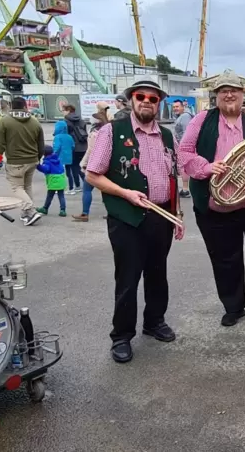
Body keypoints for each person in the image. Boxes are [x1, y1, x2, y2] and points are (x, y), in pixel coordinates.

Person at [179, 69, 245, 327]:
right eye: (223, 91)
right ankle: (233, 306)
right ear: (216, 96)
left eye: (234, 91)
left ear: (243, 95)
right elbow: (183, 153)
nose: (229, 94)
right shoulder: (201, 120)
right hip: (218, 209)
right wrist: (207, 168)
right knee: (225, 259)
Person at [85, 80, 184, 363]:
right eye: (141, 96)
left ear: (158, 104)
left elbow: (173, 176)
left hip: (161, 216)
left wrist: (178, 215)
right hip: (127, 218)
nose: (147, 102)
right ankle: (121, 336)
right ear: (131, 100)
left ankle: (154, 322)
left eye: (153, 99)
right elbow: (93, 175)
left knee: (157, 274)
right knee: (128, 279)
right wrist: (125, 193)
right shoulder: (111, 132)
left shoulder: (166, 136)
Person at [0, 97, 45, 226]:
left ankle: (31, 210)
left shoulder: (4, 121)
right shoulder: (35, 121)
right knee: (26, 186)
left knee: (17, 187)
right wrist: (38, 157)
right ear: (25, 106)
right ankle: (25, 213)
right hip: (32, 159)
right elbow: (41, 143)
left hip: (15, 161)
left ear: (11, 106)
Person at [73, 102, 110, 221]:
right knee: (107, 190)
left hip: (94, 164)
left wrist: (83, 163)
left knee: (87, 189)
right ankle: (111, 213)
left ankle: (85, 213)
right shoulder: (109, 130)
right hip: (107, 164)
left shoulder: (94, 133)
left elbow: (91, 150)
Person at [35, 145, 67, 217]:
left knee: (49, 196)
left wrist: (38, 166)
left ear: (44, 153)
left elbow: (46, 169)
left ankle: (45, 208)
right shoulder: (57, 159)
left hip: (53, 180)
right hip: (61, 179)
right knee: (61, 196)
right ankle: (63, 210)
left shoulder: (47, 161)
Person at [63, 104, 87, 193]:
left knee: (74, 167)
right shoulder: (81, 119)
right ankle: (86, 182)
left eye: (63, 110)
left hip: (73, 146)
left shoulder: (66, 121)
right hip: (84, 146)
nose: (63, 112)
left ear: (68, 110)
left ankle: (77, 186)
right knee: (81, 166)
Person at [172, 99, 193, 198]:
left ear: (182, 107)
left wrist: (184, 147)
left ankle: (186, 190)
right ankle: (186, 188)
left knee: (184, 167)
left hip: (183, 146)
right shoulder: (182, 116)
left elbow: (186, 132)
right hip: (181, 145)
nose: (175, 109)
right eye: (174, 107)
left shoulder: (185, 117)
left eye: (177, 107)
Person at [52, 120, 75, 194]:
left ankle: (58, 188)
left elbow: (57, 147)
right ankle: (71, 189)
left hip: (59, 158)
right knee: (69, 174)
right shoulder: (69, 136)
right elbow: (73, 146)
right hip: (69, 157)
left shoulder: (57, 137)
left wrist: (53, 155)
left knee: (58, 173)